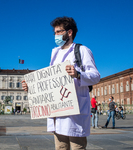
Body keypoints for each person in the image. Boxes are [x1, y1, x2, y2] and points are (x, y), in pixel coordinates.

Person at [22, 16, 100, 150]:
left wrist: (78, 74)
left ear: (69, 32)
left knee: (77, 147)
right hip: (57, 112)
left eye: (58, 32)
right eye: (55, 32)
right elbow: (50, 82)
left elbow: (95, 76)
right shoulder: (55, 54)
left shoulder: (82, 51)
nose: (55, 35)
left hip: (75, 111)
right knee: (60, 147)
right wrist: (31, 87)